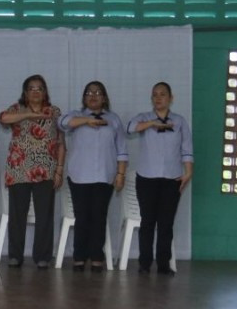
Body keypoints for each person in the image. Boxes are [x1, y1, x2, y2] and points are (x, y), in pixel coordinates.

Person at [58, 81, 128, 272]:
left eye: (98, 92)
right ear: (84, 97)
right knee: (82, 217)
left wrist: (121, 174)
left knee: (99, 216)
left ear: (104, 97)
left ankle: (97, 256)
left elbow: (122, 150)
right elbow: (62, 123)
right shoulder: (76, 115)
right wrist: (87, 121)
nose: (93, 95)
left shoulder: (113, 119)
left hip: (104, 176)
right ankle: (79, 256)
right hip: (79, 176)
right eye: (89, 92)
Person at [0, 74, 66, 268]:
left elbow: (61, 143)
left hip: (46, 170)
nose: (35, 92)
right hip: (19, 169)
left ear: (45, 92)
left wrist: (59, 170)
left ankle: (43, 256)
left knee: (44, 215)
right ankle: (15, 255)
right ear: (25, 92)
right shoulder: (16, 109)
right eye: (31, 88)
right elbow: (3, 119)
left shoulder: (54, 111)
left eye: (39, 88)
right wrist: (29, 115)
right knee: (17, 215)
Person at [127, 82, 194, 275]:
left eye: (162, 94)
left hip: (171, 178)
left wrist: (188, 172)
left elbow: (187, 149)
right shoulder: (144, 118)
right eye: (155, 95)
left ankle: (163, 263)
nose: (158, 98)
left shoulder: (180, 121)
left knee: (166, 222)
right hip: (147, 178)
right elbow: (130, 128)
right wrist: (152, 124)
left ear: (171, 98)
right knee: (147, 221)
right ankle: (145, 263)